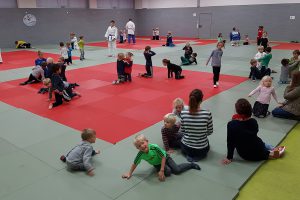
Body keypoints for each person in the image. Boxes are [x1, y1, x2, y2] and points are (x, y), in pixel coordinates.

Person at [222, 98, 285, 165]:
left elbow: (230, 142)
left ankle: (271, 153)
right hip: (258, 147)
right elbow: (253, 133)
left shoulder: (232, 124)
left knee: (242, 142)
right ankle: (272, 150)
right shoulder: (253, 121)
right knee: (260, 142)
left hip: (246, 154)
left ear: (237, 112)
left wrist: (229, 157)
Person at [122, 134, 200, 182]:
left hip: (166, 158)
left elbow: (163, 156)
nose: (142, 146)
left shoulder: (154, 147)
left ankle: (191, 165)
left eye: (143, 143)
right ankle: (161, 169)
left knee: (177, 170)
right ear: (137, 148)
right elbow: (135, 164)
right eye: (139, 146)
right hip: (157, 164)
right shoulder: (140, 154)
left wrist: (162, 170)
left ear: (147, 141)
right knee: (168, 172)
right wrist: (129, 173)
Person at [180, 89, 213, 162]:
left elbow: (182, 131)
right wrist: (200, 134)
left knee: (181, 139)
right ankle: (199, 156)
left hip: (186, 147)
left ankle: (189, 155)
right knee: (206, 143)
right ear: (201, 100)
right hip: (201, 149)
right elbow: (210, 131)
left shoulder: (183, 113)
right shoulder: (207, 113)